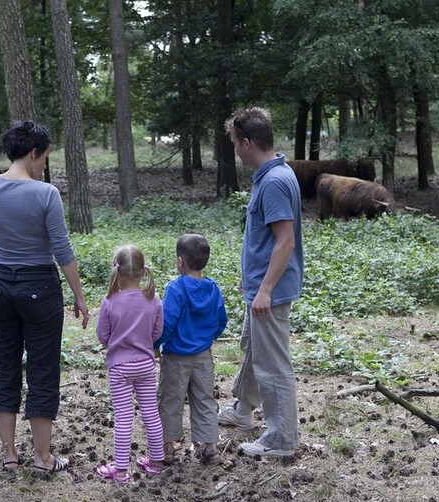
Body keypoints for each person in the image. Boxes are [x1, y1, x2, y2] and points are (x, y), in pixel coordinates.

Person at [0, 120, 89, 476]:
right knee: (43, 370)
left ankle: (9, 454)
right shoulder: (45, 194)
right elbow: (62, 249)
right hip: (39, 288)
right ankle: (43, 459)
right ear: (33, 153)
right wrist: (79, 295)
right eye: (44, 156)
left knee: (5, 368)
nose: (44, 164)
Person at [218, 107, 304, 459]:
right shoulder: (273, 175)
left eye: (236, 143)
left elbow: (285, 241)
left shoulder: (274, 182)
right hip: (259, 286)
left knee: (272, 363)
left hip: (271, 291)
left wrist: (266, 288)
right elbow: (267, 241)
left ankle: (281, 438)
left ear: (248, 142)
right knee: (253, 347)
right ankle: (243, 409)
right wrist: (252, 279)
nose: (235, 150)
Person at [154, 234, 228, 465]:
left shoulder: (175, 288)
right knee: (205, 400)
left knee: (170, 400)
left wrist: (155, 344)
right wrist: (207, 338)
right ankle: (210, 448)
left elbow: (168, 322)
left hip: (176, 356)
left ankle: (167, 449)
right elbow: (221, 320)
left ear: (179, 261)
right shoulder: (212, 288)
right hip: (203, 357)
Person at [96, 245, 165, 482]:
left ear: (117, 271)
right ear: (142, 272)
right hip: (146, 365)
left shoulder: (109, 301)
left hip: (120, 367)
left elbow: (103, 336)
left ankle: (121, 469)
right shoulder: (153, 299)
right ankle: (156, 462)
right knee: (151, 414)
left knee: (124, 417)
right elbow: (157, 333)